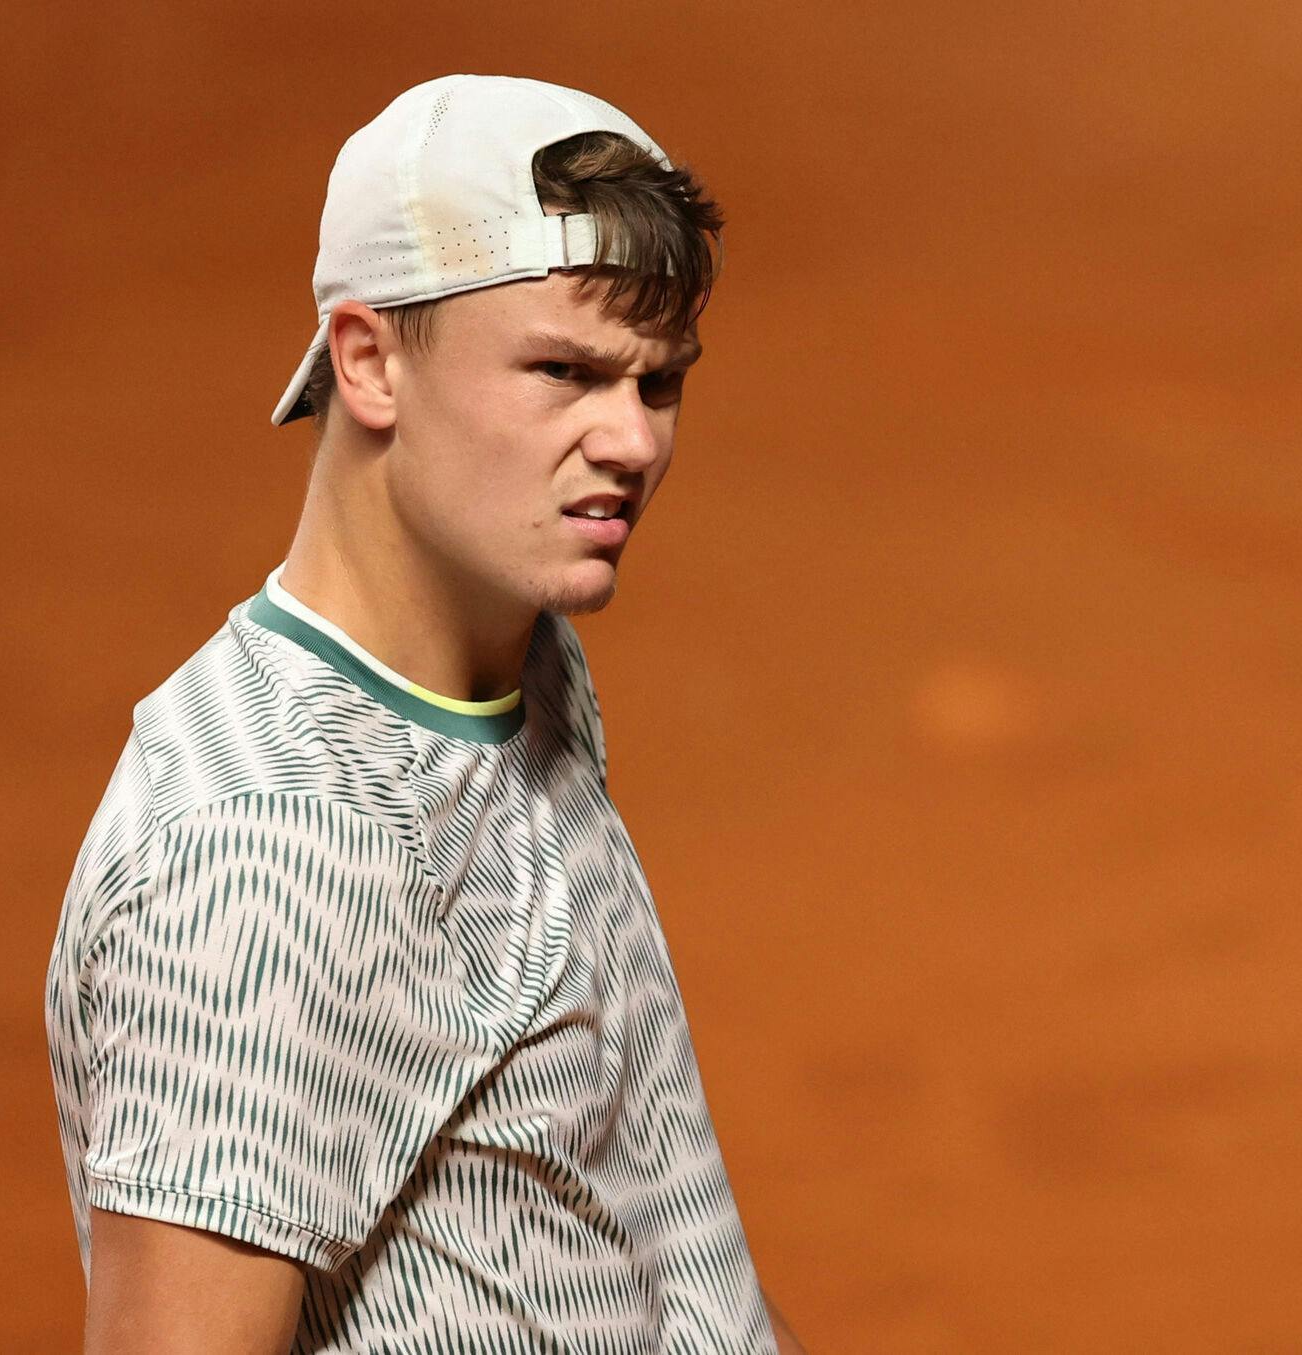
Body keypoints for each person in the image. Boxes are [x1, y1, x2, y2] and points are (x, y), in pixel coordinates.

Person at [42, 73, 807, 1353]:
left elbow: (655, 1228)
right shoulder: (259, 853)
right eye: (565, 370)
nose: (630, 440)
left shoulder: (519, 664)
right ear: (368, 361)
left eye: (659, 382)